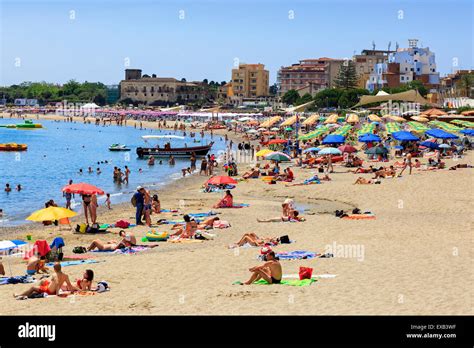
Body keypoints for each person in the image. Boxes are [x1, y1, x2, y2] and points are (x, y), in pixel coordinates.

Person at [14, 263, 78, 299]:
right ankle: (36, 292)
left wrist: (57, 294)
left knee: (32, 287)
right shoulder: (65, 275)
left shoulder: (54, 275)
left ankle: (20, 295)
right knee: (43, 281)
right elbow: (69, 285)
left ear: (55, 269)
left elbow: (57, 283)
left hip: (48, 290)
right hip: (52, 289)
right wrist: (72, 292)